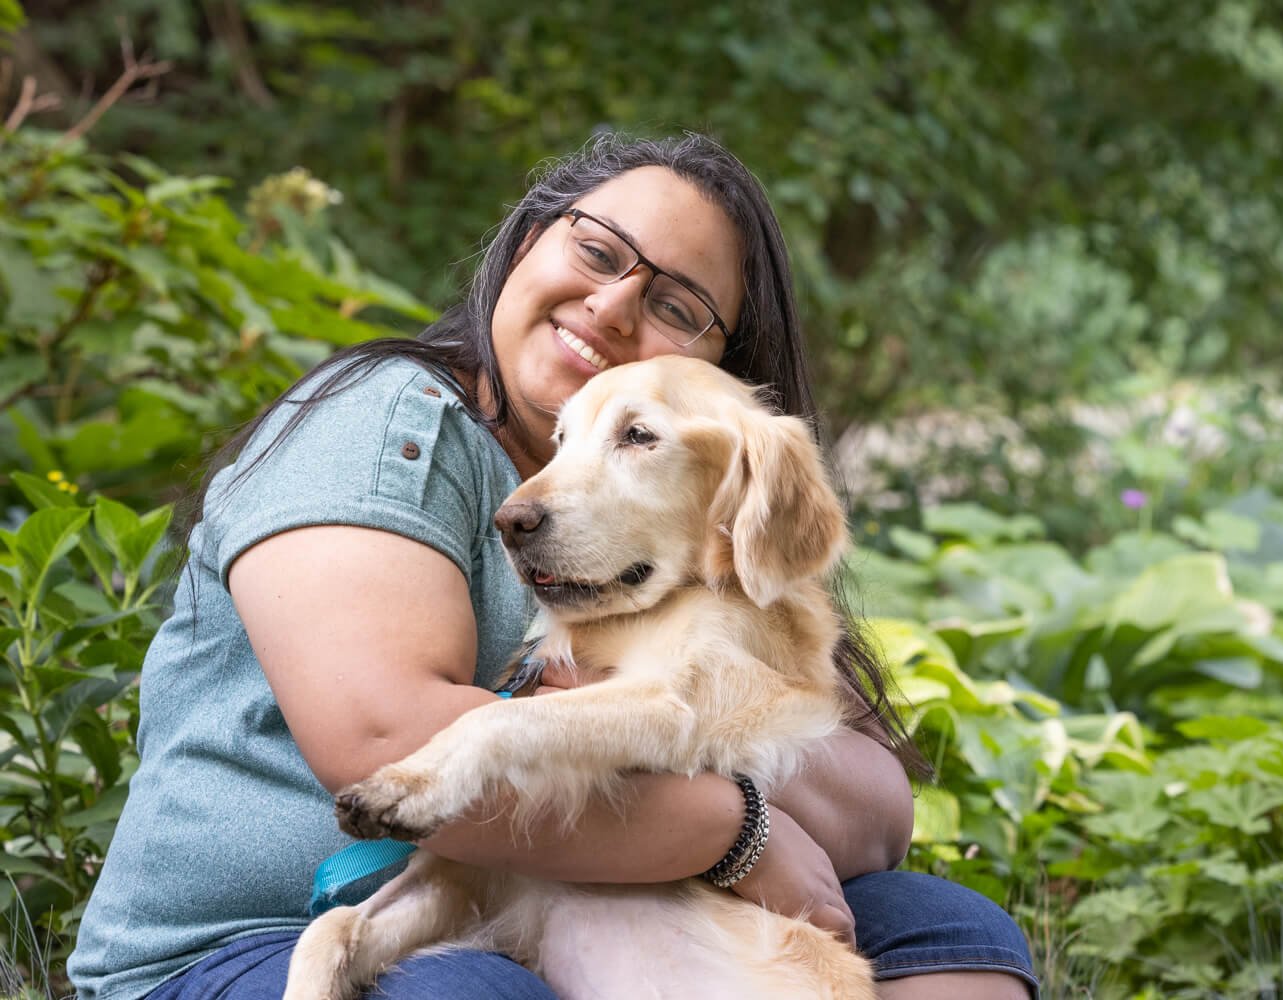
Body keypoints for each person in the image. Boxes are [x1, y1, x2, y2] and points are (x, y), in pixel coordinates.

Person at [69, 132, 1038, 1000]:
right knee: (474, 995)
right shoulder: (387, 428)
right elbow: (381, 741)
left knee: (951, 934)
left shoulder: (704, 506)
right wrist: (739, 825)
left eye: (676, 305)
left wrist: (715, 739)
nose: (613, 306)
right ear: (527, 240)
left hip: (594, 907)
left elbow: (873, 815)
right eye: (597, 251)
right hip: (257, 935)